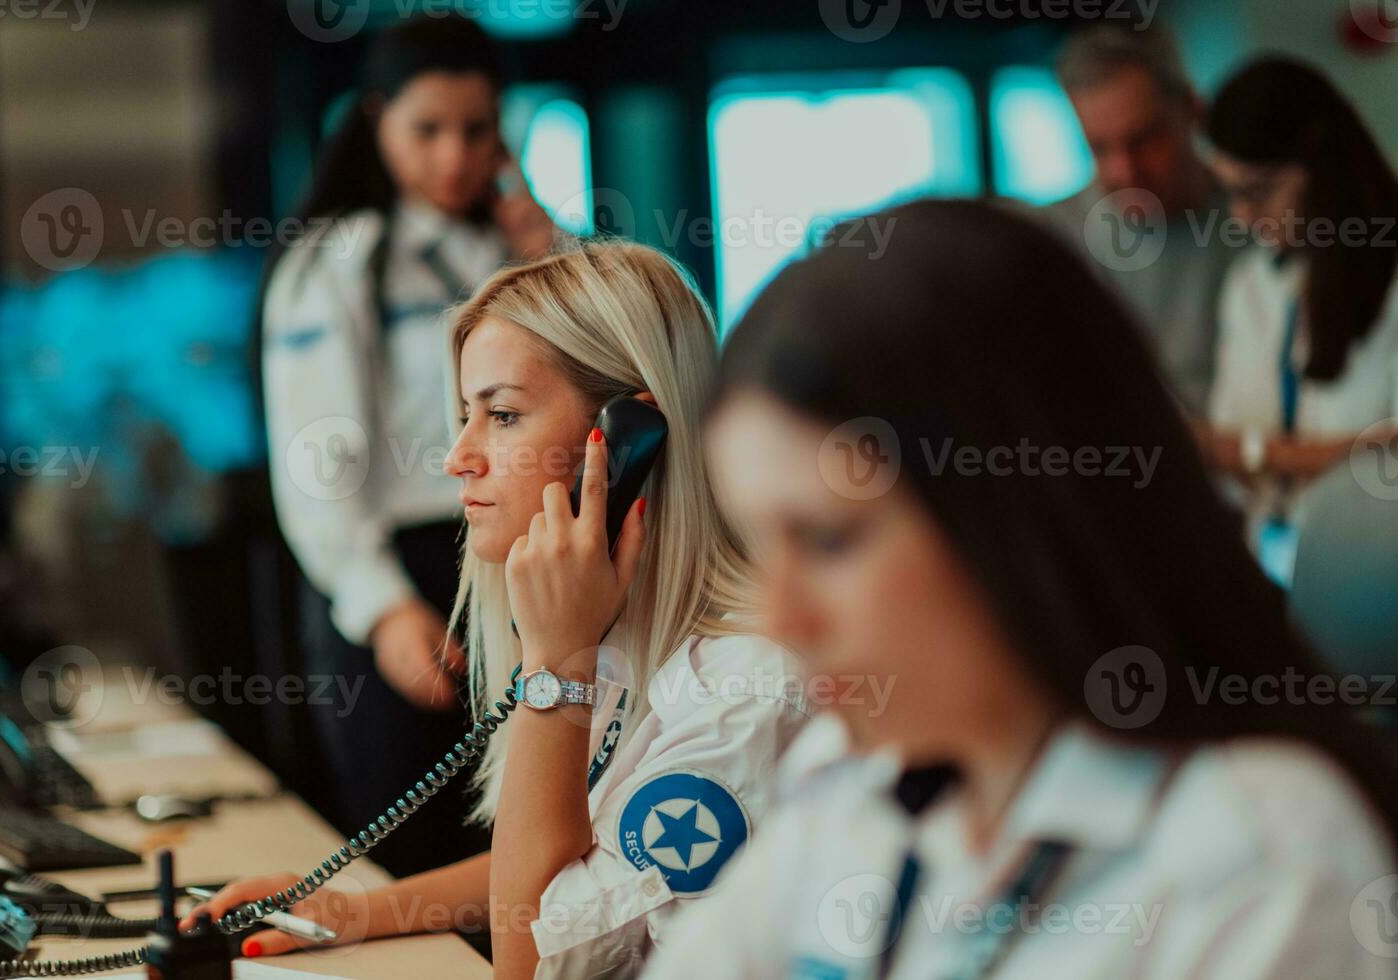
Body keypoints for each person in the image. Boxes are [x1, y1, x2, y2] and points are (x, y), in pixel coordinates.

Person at [642, 200, 1398, 979]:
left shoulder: (1264, 860)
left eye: (830, 541)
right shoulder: (850, 781)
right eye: (759, 545)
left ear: (1020, 511)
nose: (780, 618)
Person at [190, 243, 812, 978]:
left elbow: (530, 965)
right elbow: (584, 867)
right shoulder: (627, 633)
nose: (458, 456)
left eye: (504, 415)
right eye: (463, 415)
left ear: (626, 442)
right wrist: (352, 910)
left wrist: (555, 667)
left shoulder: (743, 694)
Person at [261, 16, 557, 876]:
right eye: (426, 130)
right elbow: (317, 453)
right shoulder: (339, 262)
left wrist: (545, 259)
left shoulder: (528, 247)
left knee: (528, 842)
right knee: (412, 861)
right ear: (377, 122)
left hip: (519, 562)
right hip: (398, 571)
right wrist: (381, 603)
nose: (455, 156)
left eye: (477, 129)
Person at [1197, 58, 1398, 541]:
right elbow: (1230, 465)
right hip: (1276, 559)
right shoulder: (1251, 284)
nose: (1242, 217)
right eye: (1230, 194)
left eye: (1259, 192)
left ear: (1323, 168)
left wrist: (1257, 452)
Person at [1039, 22, 1242, 415]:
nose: (1126, 173)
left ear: (1192, 112)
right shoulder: (1056, 241)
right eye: (1099, 148)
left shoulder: (1257, 219)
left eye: (1145, 140)